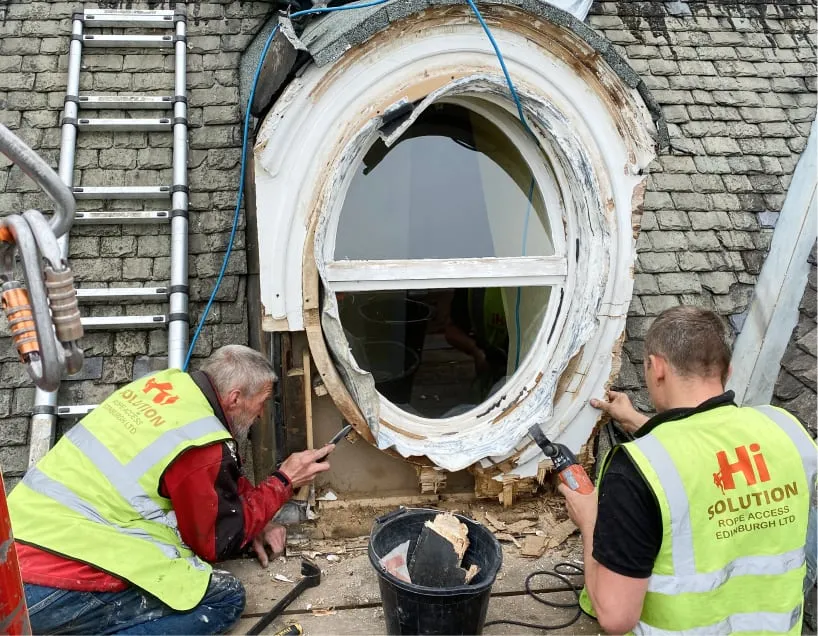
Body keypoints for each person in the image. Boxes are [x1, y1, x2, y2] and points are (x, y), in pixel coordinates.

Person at [8, 344, 333, 634]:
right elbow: (216, 542)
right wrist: (283, 482)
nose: (262, 414)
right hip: (49, 584)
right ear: (235, 399)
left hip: (13, 544)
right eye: (261, 402)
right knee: (223, 599)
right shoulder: (202, 447)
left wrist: (255, 518)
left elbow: (215, 486)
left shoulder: (161, 386)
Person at [558, 306, 817, 635]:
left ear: (657, 368)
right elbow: (713, 449)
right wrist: (637, 420)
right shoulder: (786, 431)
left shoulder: (635, 471)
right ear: (729, 370)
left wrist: (590, 518)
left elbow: (615, 616)